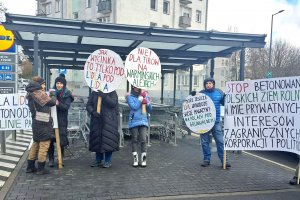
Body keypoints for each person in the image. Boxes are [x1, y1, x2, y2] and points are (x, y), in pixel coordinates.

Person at [191, 77, 230, 169]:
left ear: (213, 84)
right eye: (207, 83)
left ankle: (224, 161)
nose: (208, 85)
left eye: (210, 83)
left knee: (220, 142)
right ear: (205, 85)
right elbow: (192, 104)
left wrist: (226, 97)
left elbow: (225, 104)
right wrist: (192, 95)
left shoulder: (219, 92)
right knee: (205, 142)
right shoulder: (201, 93)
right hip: (204, 123)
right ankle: (206, 160)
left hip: (216, 122)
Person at [25, 76, 56, 175]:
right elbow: (52, 102)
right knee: (44, 145)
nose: (44, 85)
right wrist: (53, 94)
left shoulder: (30, 92)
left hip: (35, 121)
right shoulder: (38, 93)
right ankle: (41, 168)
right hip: (43, 121)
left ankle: (30, 167)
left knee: (36, 144)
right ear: (38, 84)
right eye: (43, 83)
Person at [86, 90, 119, 168]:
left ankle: (108, 160)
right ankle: (98, 159)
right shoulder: (94, 92)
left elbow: (113, 103)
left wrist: (104, 96)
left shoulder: (112, 92)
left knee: (108, 140)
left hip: (109, 121)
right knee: (97, 140)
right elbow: (88, 105)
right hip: (97, 120)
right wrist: (93, 112)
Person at [48, 76, 74, 167]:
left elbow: (66, 107)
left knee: (61, 140)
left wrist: (58, 103)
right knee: (50, 140)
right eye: (57, 83)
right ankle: (50, 159)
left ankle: (60, 158)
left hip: (61, 120)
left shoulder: (67, 95)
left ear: (64, 84)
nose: (59, 85)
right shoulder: (51, 93)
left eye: (61, 83)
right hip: (51, 120)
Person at [126, 86, 152, 167]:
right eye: (136, 86)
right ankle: (135, 160)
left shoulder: (145, 94)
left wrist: (147, 103)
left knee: (144, 139)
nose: (138, 88)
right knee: (134, 139)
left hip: (143, 121)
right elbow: (134, 107)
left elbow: (150, 109)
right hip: (134, 121)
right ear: (133, 87)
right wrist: (140, 99)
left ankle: (143, 159)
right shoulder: (130, 96)